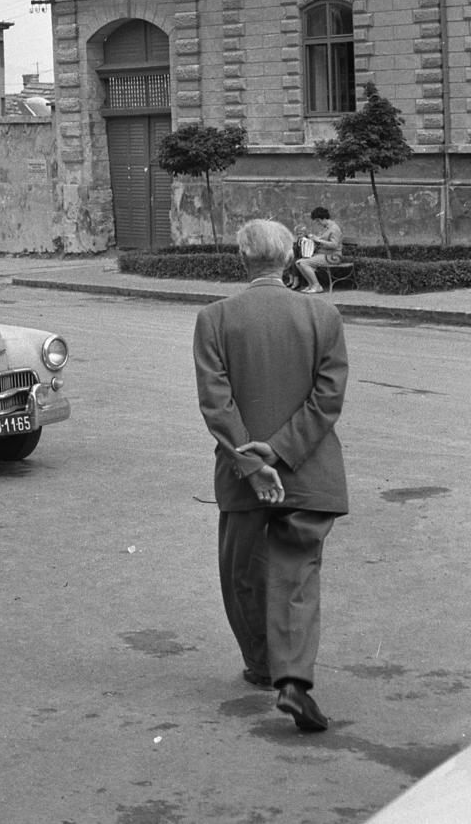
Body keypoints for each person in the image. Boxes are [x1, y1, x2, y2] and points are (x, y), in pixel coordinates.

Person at [193, 218, 348, 733]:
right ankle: (294, 680)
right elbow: (327, 399)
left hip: (242, 478)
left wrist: (254, 464)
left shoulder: (214, 318)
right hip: (309, 472)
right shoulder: (322, 315)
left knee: (244, 575)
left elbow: (216, 404)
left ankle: (262, 666)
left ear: (242, 259)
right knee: (297, 575)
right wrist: (281, 453)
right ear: (289, 260)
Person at [293, 207, 344, 292]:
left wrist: (318, 240)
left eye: (318, 221)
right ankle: (311, 285)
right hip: (323, 255)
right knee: (298, 263)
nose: (317, 223)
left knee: (304, 263)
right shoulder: (325, 228)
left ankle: (317, 286)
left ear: (323, 218)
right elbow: (321, 241)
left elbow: (334, 245)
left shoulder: (335, 229)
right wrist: (313, 239)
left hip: (333, 257)